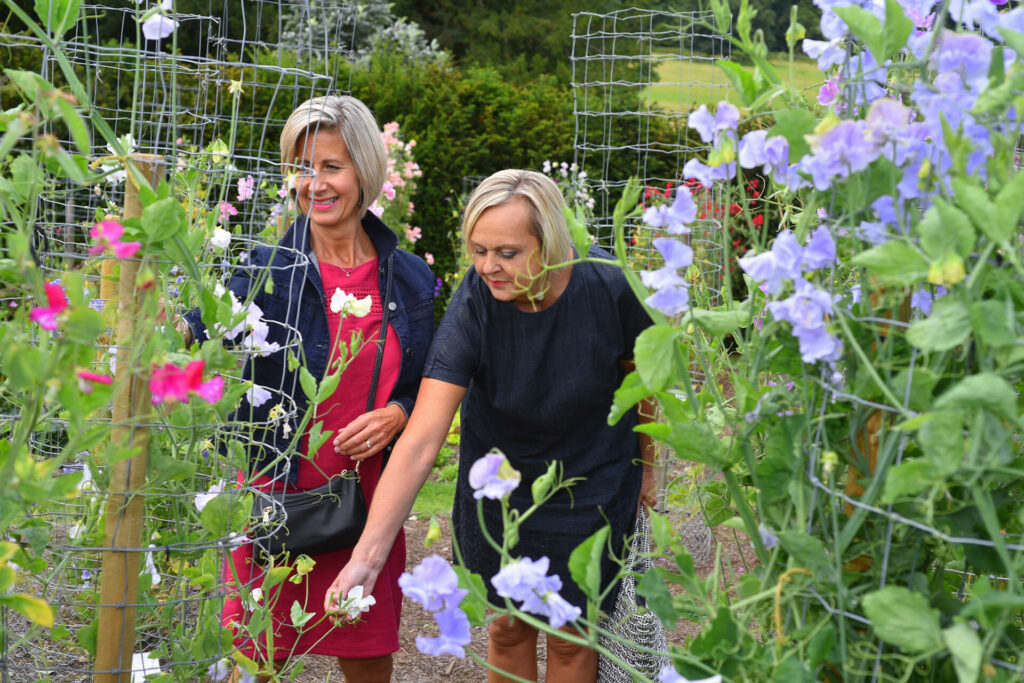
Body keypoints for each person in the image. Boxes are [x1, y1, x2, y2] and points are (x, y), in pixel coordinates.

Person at [325, 169, 656, 683]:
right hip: (499, 496)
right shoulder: (476, 302)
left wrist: (646, 467)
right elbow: (421, 440)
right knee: (505, 628)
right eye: (478, 250)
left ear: (551, 244)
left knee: (573, 639)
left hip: (592, 486)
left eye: (507, 252)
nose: (488, 267)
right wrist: (367, 559)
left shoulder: (611, 287)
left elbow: (644, 385)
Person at [183, 95, 434, 682]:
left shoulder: (409, 276)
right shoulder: (264, 269)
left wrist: (398, 412)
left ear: (366, 172)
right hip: (271, 493)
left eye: (330, 166)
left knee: (367, 656)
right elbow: (196, 335)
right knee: (255, 659)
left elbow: (430, 381)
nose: (313, 183)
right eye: (301, 166)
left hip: (364, 498)